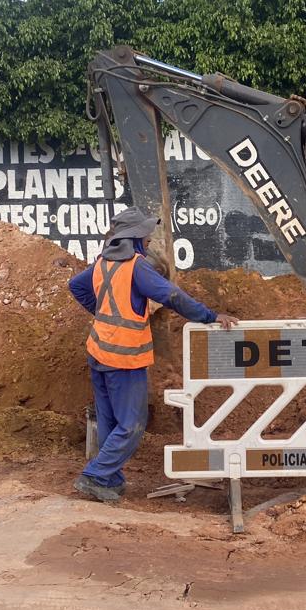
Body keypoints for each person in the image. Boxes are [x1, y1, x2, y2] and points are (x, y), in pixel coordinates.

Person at [68, 207, 238, 504]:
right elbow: (172, 296)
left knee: (110, 421)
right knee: (132, 424)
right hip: (124, 358)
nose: (148, 240)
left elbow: (76, 286)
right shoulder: (136, 267)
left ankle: (110, 478)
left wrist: (101, 311)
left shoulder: (103, 263)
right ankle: (94, 476)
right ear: (133, 238)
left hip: (98, 352)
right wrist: (209, 315)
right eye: (145, 235)